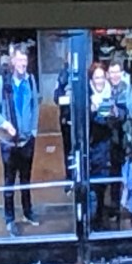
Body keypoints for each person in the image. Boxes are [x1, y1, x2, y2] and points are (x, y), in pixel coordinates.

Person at [0, 43, 40, 234]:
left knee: (26, 180)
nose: (22, 64)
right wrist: (5, 124)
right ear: (13, 61)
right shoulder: (2, 83)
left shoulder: (31, 80)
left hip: (27, 141)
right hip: (9, 144)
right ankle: (9, 219)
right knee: (9, 183)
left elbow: (35, 105)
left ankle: (27, 211)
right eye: (19, 60)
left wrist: (33, 131)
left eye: (25, 60)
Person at [107, 62, 132, 228]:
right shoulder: (106, 91)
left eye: (117, 72)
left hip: (127, 144)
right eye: (112, 72)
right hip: (111, 144)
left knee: (131, 180)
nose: (114, 76)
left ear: (122, 74)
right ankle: (115, 208)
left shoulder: (129, 92)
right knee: (114, 180)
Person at [87, 62, 114, 230]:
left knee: (103, 187)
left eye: (102, 77)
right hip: (91, 148)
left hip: (106, 148)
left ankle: (100, 217)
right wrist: (93, 110)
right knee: (92, 187)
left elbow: (106, 122)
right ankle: (92, 220)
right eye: (96, 77)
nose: (99, 81)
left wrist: (97, 111)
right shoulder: (87, 95)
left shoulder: (110, 94)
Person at [52, 55, 73, 188]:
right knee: (68, 148)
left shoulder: (85, 72)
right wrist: (66, 98)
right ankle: (70, 177)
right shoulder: (62, 75)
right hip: (67, 118)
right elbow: (56, 97)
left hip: (82, 118)